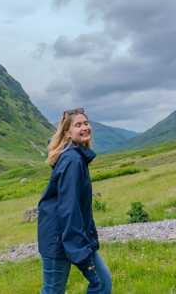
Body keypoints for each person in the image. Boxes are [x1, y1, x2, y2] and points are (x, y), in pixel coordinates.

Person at [37, 107, 112, 294]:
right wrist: (80, 250)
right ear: (68, 133)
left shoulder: (76, 156)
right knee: (56, 290)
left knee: (101, 282)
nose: (85, 127)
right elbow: (68, 208)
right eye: (78, 125)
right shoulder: (72, 160)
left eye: (86, 123)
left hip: (70, 236)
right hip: (59, 238)